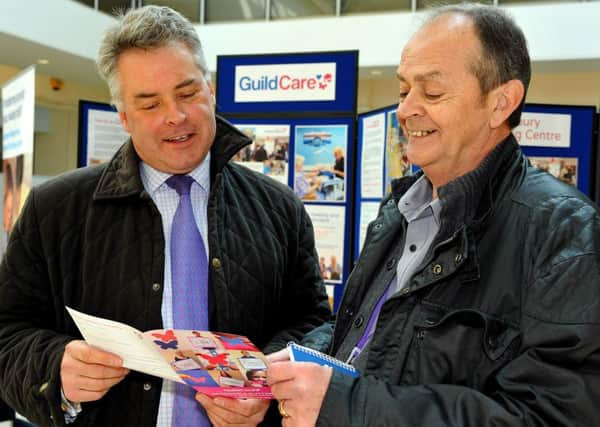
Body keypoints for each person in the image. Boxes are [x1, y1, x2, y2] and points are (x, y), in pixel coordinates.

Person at [267, 4, 600, 426]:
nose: (406, 110)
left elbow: (554, 416)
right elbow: (362, 335)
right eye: (403, 90)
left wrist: (347, 406)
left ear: (501, 103)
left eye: (432, 92)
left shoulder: (563, 232)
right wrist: (283, 369)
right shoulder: (399, 211)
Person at [0, 6, 330, 427]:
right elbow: (8, 333)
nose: (174, 116)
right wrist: (53, 369)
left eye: (188, 93)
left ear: (210, 90)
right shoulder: (55, 210)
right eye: (150, 103)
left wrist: (265, 382)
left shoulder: (279, 208)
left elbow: (314, 325)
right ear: (123, 116)